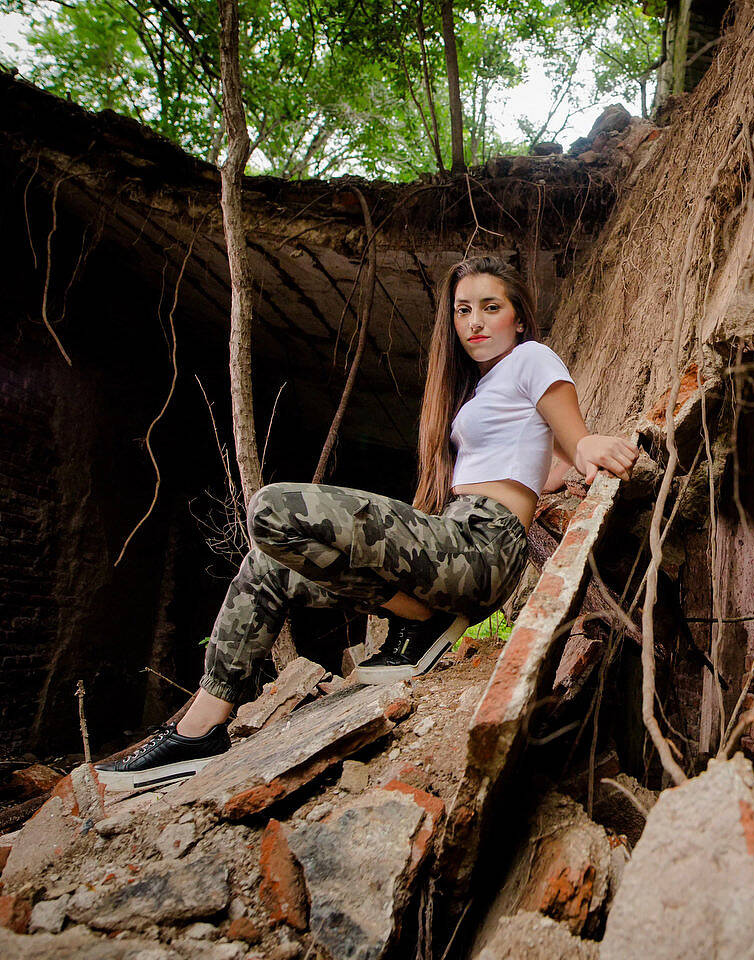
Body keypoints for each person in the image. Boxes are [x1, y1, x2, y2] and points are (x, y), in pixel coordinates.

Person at [96, 256, 640, 790]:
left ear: (518, 318)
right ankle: (199, 730)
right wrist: (562, 468)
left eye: (490, 307)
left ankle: (419, 618)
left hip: (481, 547)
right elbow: (543, 463)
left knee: (272, 509)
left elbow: (574, 438)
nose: (474, 322)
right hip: (455, 541)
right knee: (266, 567)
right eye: (462, 310)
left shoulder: (532, 358)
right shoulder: (482, 390)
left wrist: (589, 445)